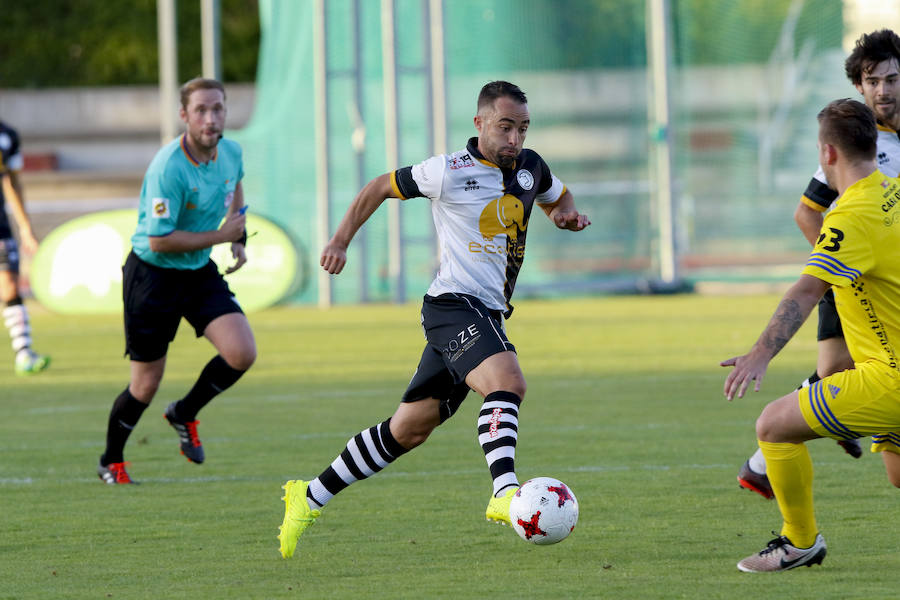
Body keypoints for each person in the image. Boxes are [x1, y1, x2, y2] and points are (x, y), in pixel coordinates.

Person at [277, 80, 591, 558]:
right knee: (508, 381)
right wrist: (340, 241)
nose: (514, 139)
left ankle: (309, 496)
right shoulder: (446, 171)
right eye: (505, 127)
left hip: (488, 312)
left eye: (522, 129)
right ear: (480, 123)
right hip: (452, 304)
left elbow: (557, 197)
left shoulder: (531, 167)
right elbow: (379, 186)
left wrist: (565, 216)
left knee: (409, 429)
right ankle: (504, 492)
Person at [722, 98, 900, 572]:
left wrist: (760, 353)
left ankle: (799, 542)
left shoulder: (850, 217)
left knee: (773, 426)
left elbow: (806, 291)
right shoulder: (895, 191)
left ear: (826, 153)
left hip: (891, 379)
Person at [737, 29, 900, 499]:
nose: (883, 90)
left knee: (842, 372)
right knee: (836, 369)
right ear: (860, 87)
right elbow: (807, 211)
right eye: (873, 82)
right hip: (852, 272)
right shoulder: (857, 143)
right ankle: (773, 459)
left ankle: (777, 456)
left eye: (891, 78)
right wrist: (839, 275)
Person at [97, 78, 256, 485]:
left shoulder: (231, 152)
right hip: (152, 276)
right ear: (184, 116)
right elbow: (159, 239)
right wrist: (221, 236)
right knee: (145, 383)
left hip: (197, 270)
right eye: (201, 110)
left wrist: (236, 235)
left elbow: (234, 183)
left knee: (241, 352)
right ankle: (110, 462)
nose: (210, 117)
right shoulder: (168, 167)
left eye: (217, 108)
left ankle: (184, 412)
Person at [0, 121, 50, 375]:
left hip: (0, 225)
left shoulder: (7, 135)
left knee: (9, 283)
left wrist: (25, 227)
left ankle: (24, 353)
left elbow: (12, 182)